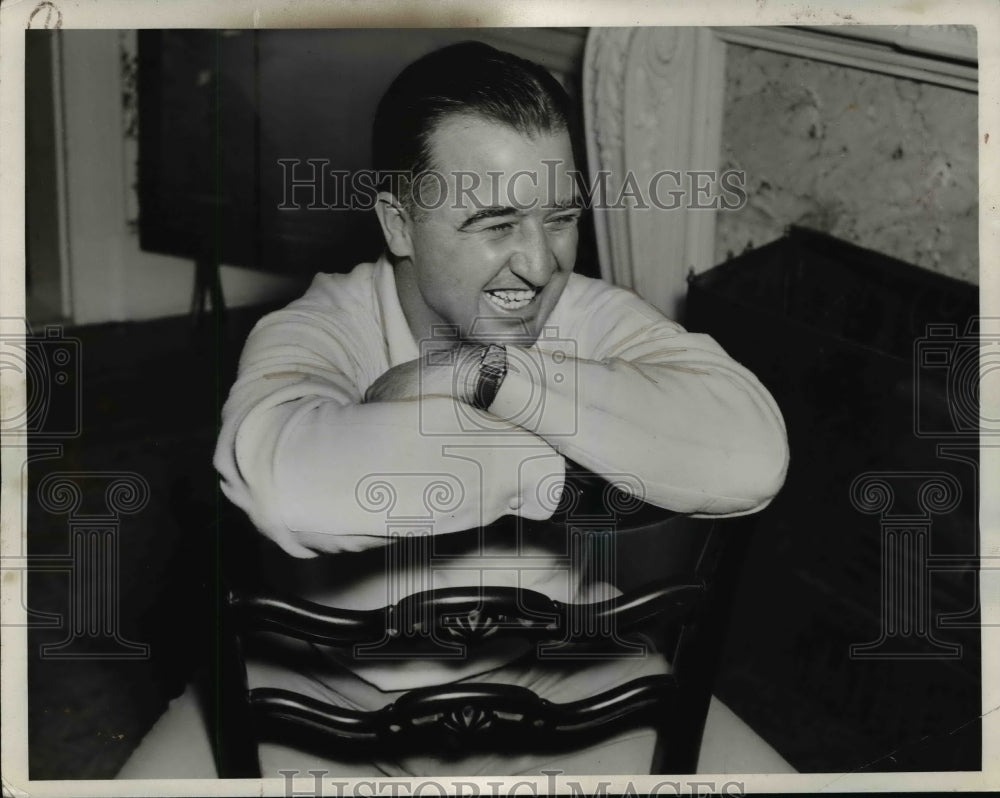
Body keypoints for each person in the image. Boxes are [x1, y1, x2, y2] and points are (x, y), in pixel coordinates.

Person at [181, 40, 789, 778]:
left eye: (560, 218)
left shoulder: (592, 312)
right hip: (328, 696)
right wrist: (568, 462)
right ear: (399, 224)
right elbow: (287, 483)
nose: (539, 266)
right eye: (496, 225)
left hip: (572, 677)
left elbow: (753, 450)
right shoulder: (316, 327)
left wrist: (486, 374)